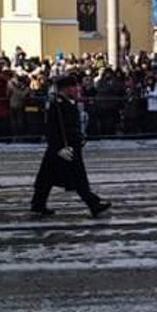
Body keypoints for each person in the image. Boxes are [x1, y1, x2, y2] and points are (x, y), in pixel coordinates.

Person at [30, 74, 111, 217]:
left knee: (47, 178)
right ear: (66, 88)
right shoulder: (58, 104)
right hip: (63, 147)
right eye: (74, 87)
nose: (76, 89)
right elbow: (52, 128)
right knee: (76, 177)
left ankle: (38, 204)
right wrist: (59, 147)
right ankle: (93, 204)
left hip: (69, 145)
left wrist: (79, 137)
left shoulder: (65, 103)